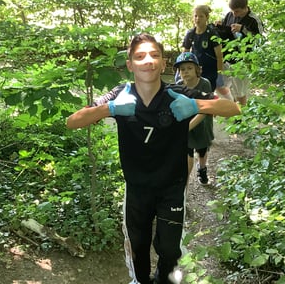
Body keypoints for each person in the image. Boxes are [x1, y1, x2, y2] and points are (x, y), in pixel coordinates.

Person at [66, 33, 241, 284]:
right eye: (140, 56)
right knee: (138, 247)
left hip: (172, 186)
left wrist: (196, 105)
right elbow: (73, 122)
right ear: (130, 65)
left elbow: (232, 108)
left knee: (170, 250)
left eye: (154, 55)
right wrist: (110, 109)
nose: (148, 61)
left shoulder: (178, 93)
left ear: (163, 63)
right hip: (137, 188)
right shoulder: (120, 94)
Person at [215, 0, 264, 106]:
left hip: (243, 61)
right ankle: (232, 107)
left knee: (240, 92)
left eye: (237, 11)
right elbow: (225, 29)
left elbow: (259, 40)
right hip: (227, 58)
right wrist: (220, 25)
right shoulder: (230, 15)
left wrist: (242, 29)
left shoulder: (253, 20)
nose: (234, 14)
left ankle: (241, 113)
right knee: (220, 85)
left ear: (245, 7)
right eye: (232, 11)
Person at [174, 52, 214, 185]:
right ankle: (184, 181)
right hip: (186, 124)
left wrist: (188, 126)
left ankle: (202, 168)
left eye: (189, 68)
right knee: (187, 152)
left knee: (202, 150)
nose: (186, 72)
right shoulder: (179, 85)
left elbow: (206, 109)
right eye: (182, 69)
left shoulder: (204, 84)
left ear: (197, 69)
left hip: (202, 124)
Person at [181, 5, 234, 101]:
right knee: (196, 94)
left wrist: (219, 74)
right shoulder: (190, 34)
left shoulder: (212, 33)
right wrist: (181, 69)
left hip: (211, 72)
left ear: (207, 17)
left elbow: (219, 56)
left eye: (201, 16)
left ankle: (231, 105)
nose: (198, 19)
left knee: (208, 95)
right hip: (196, 71)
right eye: (195, 16)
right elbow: (185, 54)